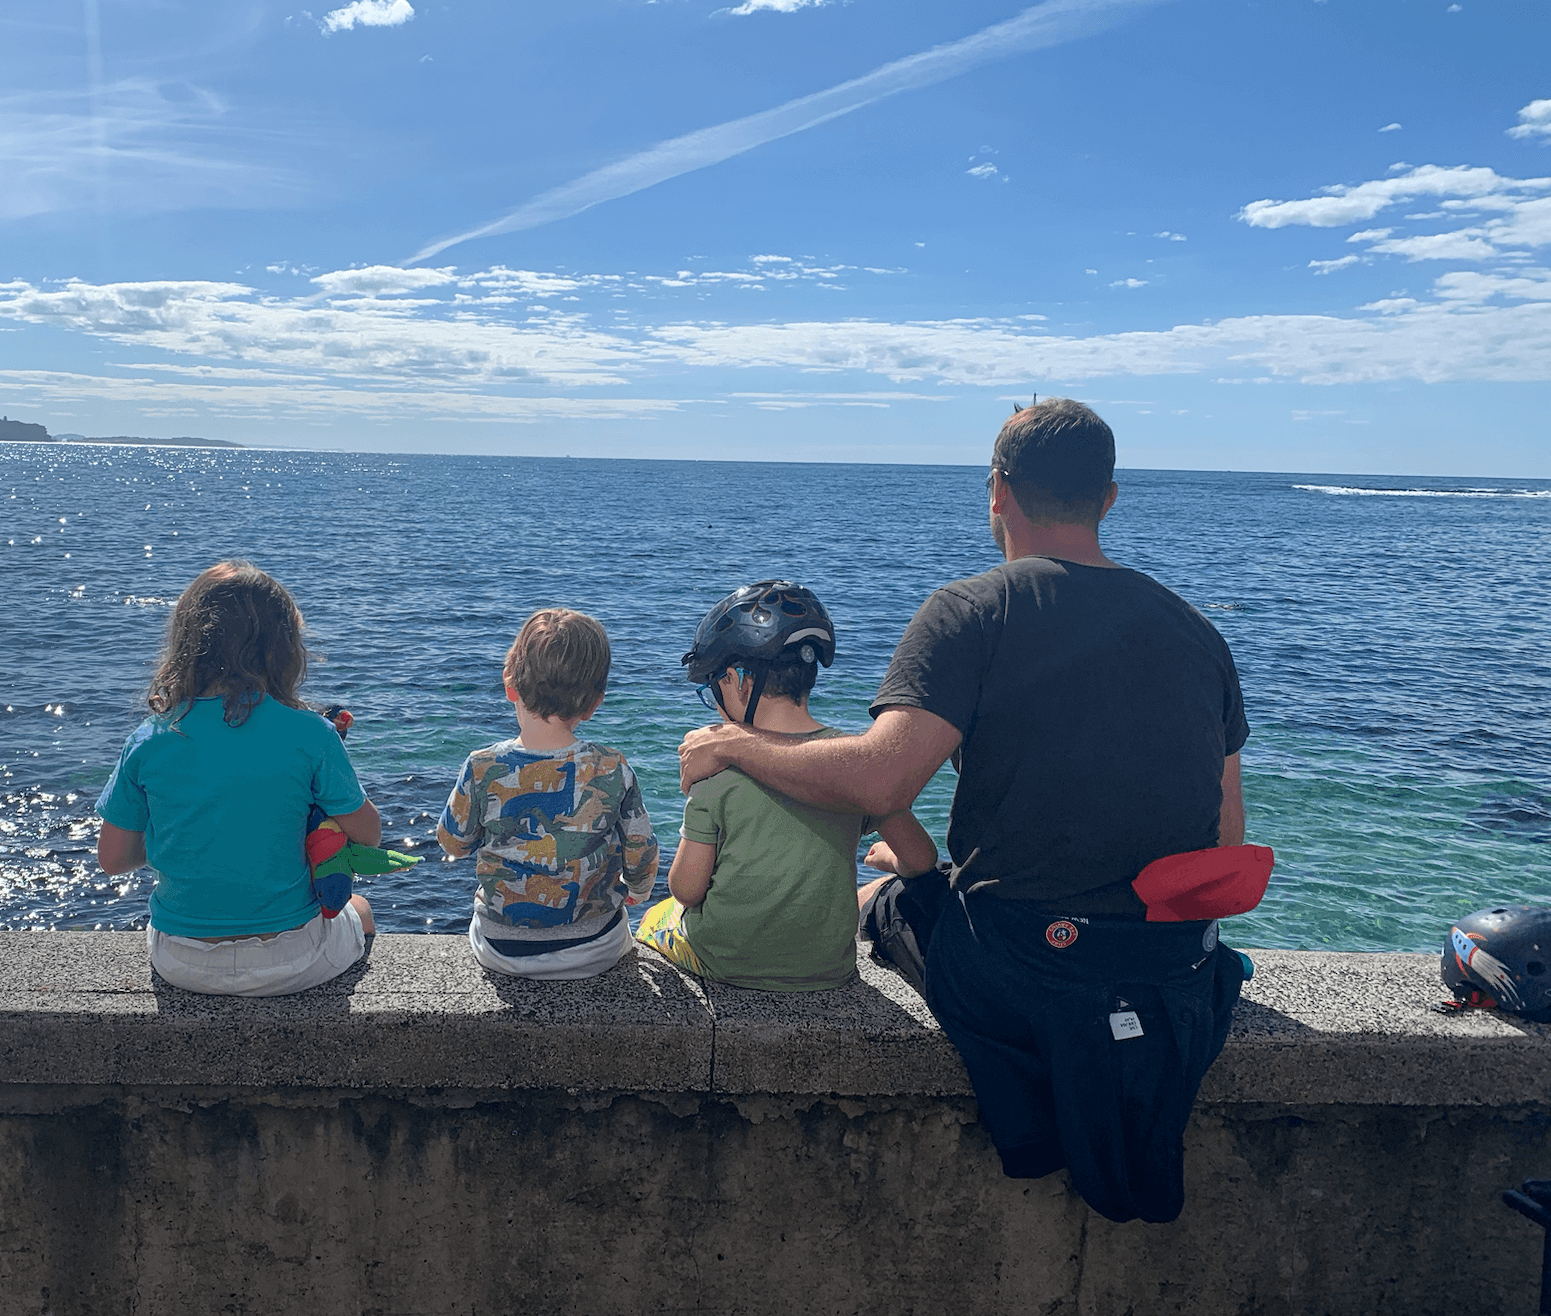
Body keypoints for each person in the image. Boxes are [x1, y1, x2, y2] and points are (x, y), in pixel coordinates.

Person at [678, 400, 1250, 1224]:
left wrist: (733, 750)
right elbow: (1225, 837)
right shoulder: (1201, 635)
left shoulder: (973, 611)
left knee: (890, 901)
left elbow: (882, 784)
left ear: (997, 492)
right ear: (1110, 498)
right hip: (1173, 971)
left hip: (1027, 970)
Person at [635, 580, 938, 992]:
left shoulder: (717, 771)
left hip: (727, 961)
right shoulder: (853, 767)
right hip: (829, 967)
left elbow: (686, 890)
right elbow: (921, 859)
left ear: (738, 680)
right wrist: (891, 860)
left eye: (713, 689)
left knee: (655, 919)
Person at [95, 561, 381, 996]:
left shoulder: (148, 739)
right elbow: (370, 836)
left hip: (180, 959)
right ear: (285, 649)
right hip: (289, 959)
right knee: (359, 910)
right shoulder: (311, 734)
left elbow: (114, 859)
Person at [438, 608, 659, 980]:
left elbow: (453, 844)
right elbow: (641, 848)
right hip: (594, 946)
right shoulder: (611, 766)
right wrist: (637, 889)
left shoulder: (482, 765)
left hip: (501, 948)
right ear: (594, 704)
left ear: (510, 684)